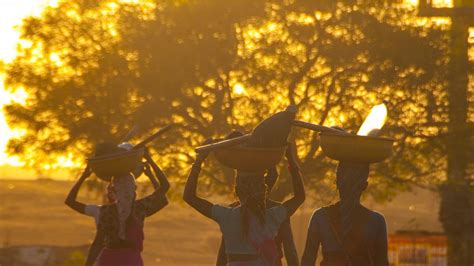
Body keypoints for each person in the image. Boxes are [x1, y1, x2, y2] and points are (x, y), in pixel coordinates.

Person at [184, 141, 305, 266]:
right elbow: (300, 197)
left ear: (236, 190)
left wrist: (198, 162)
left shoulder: (226, 216)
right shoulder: (272, 217)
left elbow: (189, 197)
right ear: (265, 191)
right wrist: (291, 159)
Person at [65, 146, 169, 266]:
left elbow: (97, 244)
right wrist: (150, 164)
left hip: (109, 260)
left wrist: (84, 176)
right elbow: (164, 190)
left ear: (113, 191)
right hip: (131, 260)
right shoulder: (139, 208)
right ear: (134, 190)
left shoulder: (105, 211)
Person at [301, 162, 389, 266]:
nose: (349, 186)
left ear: (337, 182)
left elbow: (307, 260)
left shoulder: (321, 217)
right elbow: (382, 262)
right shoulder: (377, 221)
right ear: (365, 186)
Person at [215, 167, 299, 266]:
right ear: (264, 187)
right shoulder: (277, 210)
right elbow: (290, 252)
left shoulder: (233, 210)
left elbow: (223, 253)